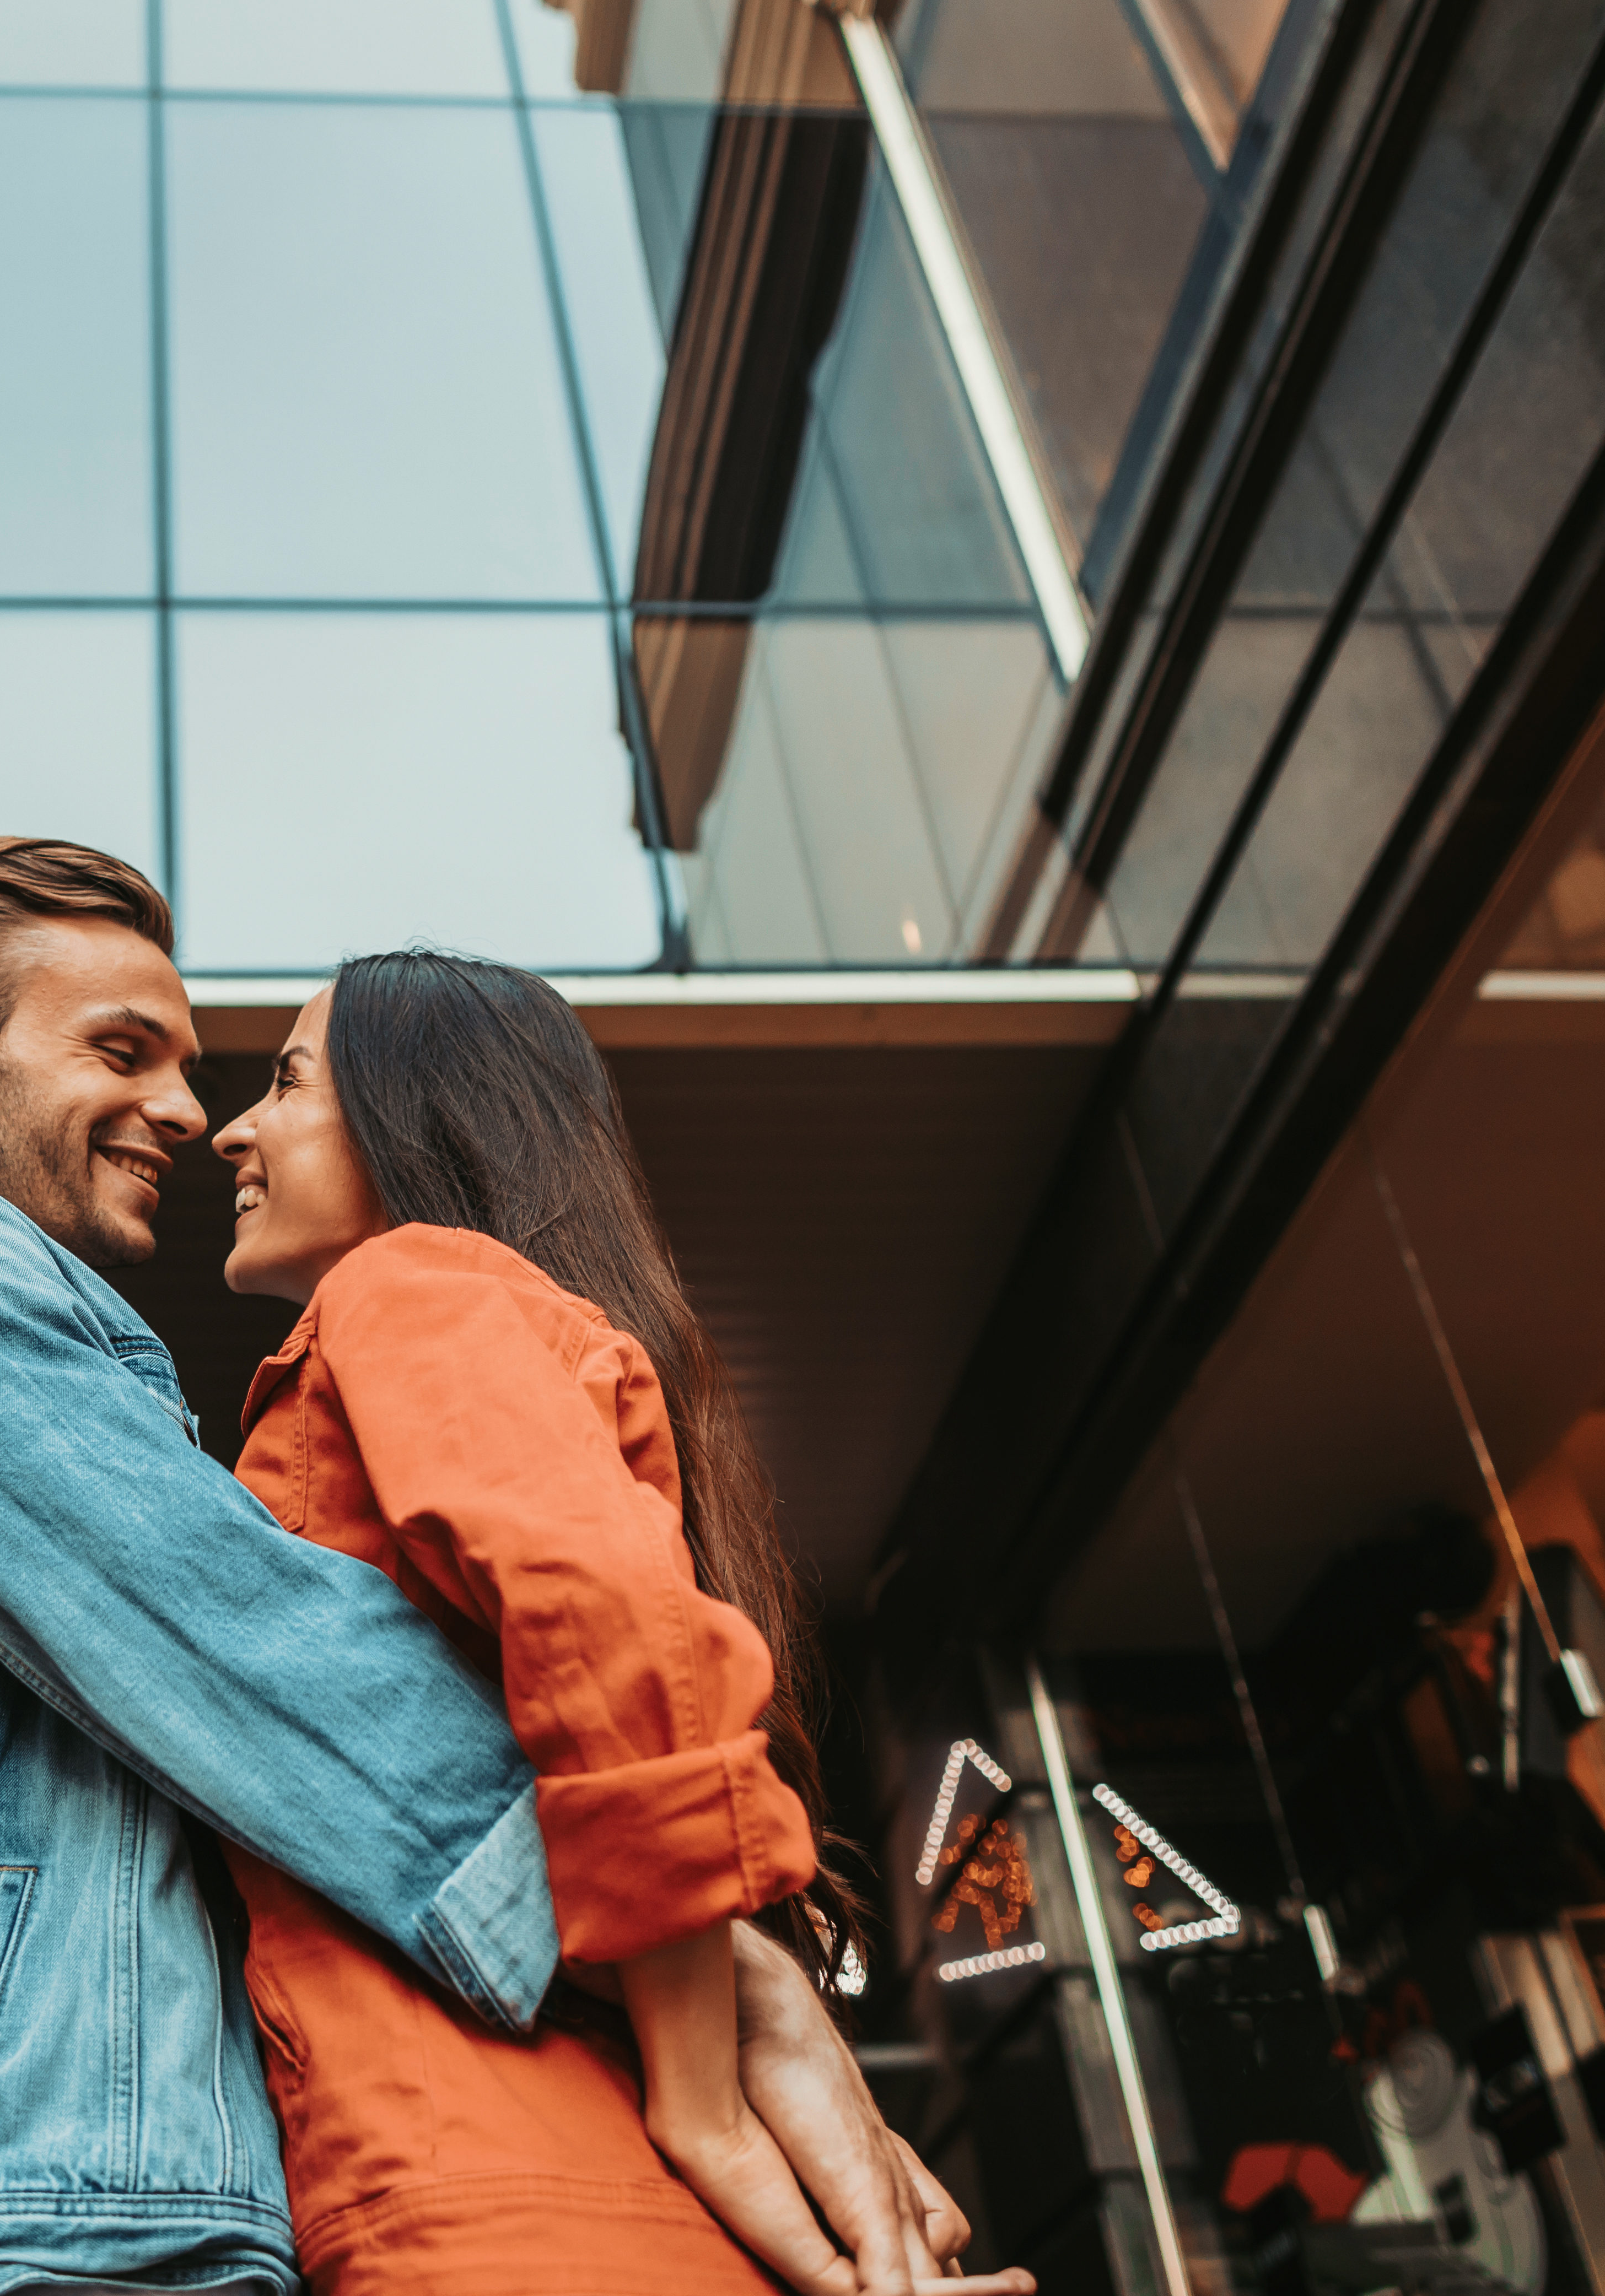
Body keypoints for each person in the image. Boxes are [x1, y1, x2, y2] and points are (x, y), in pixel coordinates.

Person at [0, 840, 967, 2296]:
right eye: (124, 1049)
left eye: (235, 1073)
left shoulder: (364, 1324)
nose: (192, 1113)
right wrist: (692, 1952)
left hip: (109, 2209)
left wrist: (689, 1939)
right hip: (7, 2218)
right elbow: (242, 1643)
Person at [212, 950, 1039, 2296]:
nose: (235, 1128)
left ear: (416, 1113)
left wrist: (704, 2096)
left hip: (500, 2199)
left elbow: (596, 1611)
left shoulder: (403, 1283)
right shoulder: (491, 1322)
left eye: (289, 1079)